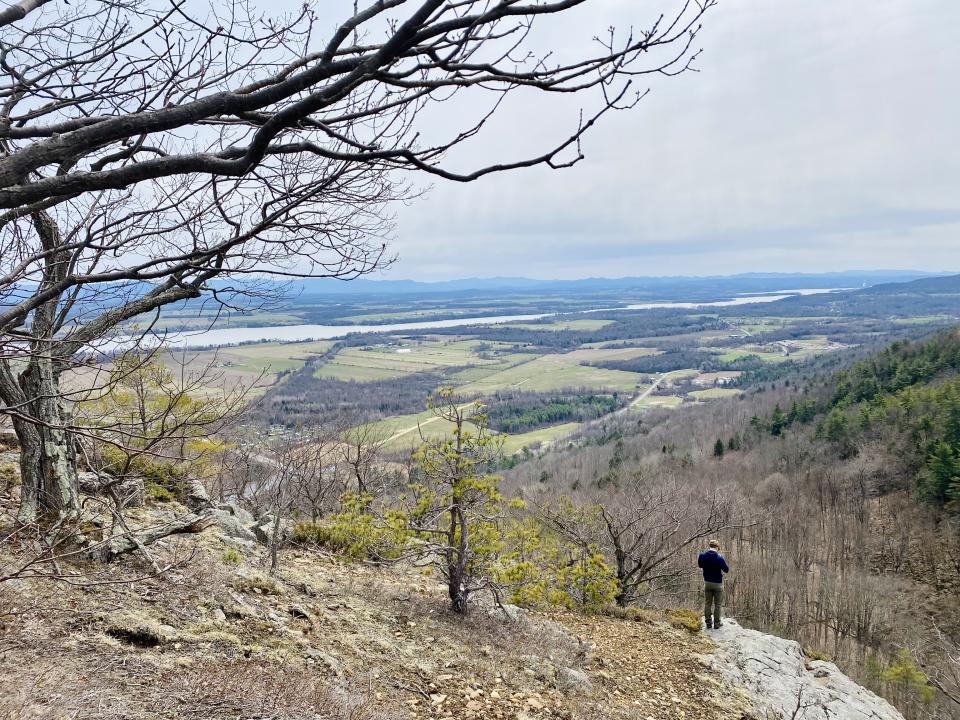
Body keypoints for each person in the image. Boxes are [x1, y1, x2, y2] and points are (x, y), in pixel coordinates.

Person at [698, 539, 729, 629]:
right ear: (717, 547)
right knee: (718, 604)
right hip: (718, 584)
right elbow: (726, 570)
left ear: (710, 546)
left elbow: (700, 565)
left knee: (707, 603)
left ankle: (708, 623)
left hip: (707, 582)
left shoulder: (702, 556)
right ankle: (716, 623)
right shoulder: (719, 558)